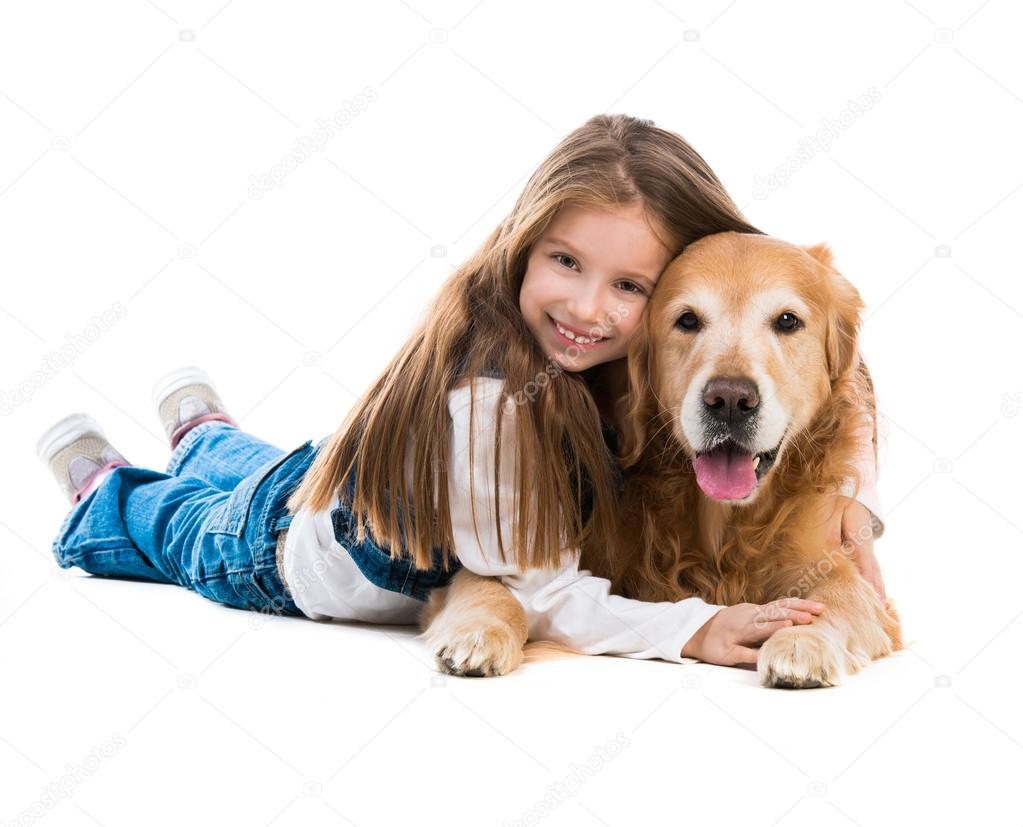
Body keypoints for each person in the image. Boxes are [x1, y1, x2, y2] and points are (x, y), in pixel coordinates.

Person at [38, 114, 882, 672]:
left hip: (325, 467)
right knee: (185, 529)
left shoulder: (610, 356)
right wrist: (692, 632)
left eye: (628, 286)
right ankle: (99, 491)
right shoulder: (493, 400)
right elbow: (533, 581)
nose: (592, 306)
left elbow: (835, 367)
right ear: (523, 246)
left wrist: (853, 495)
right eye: (566, 263)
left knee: (262, 468)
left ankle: (203, 432)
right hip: (297, 560)